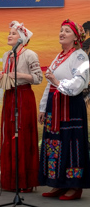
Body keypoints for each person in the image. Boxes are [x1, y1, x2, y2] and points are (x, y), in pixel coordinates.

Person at [38, 19, 90, 200]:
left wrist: (58, 83)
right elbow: (48, 84)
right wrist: (43, 107)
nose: (62, 33)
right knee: (54, 143)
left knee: (71, 143)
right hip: (55, 105)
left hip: (71, 106)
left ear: (76, 37)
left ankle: (74, 186)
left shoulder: (81, 56)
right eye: (61, 30)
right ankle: (57, 183)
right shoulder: (59, 56)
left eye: (67, 31)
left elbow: (80, 83)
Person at [0, 21, 43, 192]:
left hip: (24, 96)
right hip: (10, 96)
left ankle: (26, 181)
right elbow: (8, 78)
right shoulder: (7, 55)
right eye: (9, 33)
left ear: (22, 38)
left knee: (23, 135)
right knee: (10, 135)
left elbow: (38, 78)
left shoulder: (30, 54)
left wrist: (18, 75)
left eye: (13, 33)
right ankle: (11, 180)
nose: (9, 36)